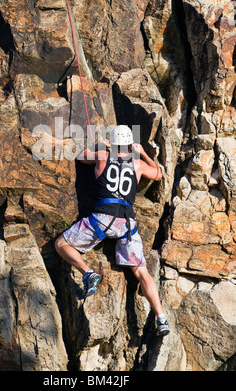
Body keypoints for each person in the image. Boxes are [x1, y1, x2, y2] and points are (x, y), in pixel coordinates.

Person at [55, 125, 170, 336]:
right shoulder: (138, 163)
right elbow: (159, 174)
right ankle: (161, 318)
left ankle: (88, 274)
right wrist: (143, 151)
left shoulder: (102, 155)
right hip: (127, 224)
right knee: (141, 271)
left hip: (102, 218)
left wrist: (102, 145)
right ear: (129, 144)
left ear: (113, 141)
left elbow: (81, 157)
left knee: (61, 244)